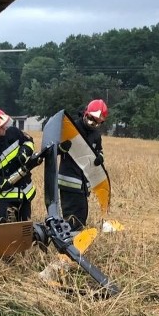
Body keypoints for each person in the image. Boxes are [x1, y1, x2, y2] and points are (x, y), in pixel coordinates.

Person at [58, 99, 107, 231]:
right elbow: (52, 149)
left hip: (84, 184)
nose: (93, 125)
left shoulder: (96, 135)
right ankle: (68, 242)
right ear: (86, 114)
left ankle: (77, 239)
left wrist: (100, 157)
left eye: (97, 123)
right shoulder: (72, 128)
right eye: (91, 120)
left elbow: (99, 150)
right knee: (72, 217)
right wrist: (61, 148)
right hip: (69, 181)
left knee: (81, 215)